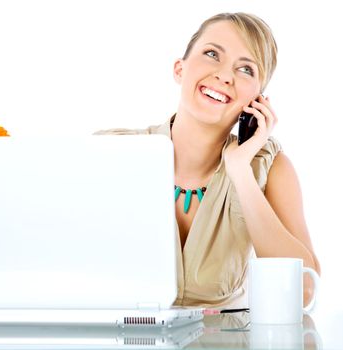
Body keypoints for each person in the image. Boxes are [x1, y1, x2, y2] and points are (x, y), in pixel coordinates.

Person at [95, 12, 320, 308]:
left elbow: (303, 291)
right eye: (212, 54)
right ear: (179, 68)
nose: (225, 76)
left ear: (258, 100)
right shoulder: (109, 152)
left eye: (246, 70)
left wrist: (241, 172)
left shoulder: (270, 167)